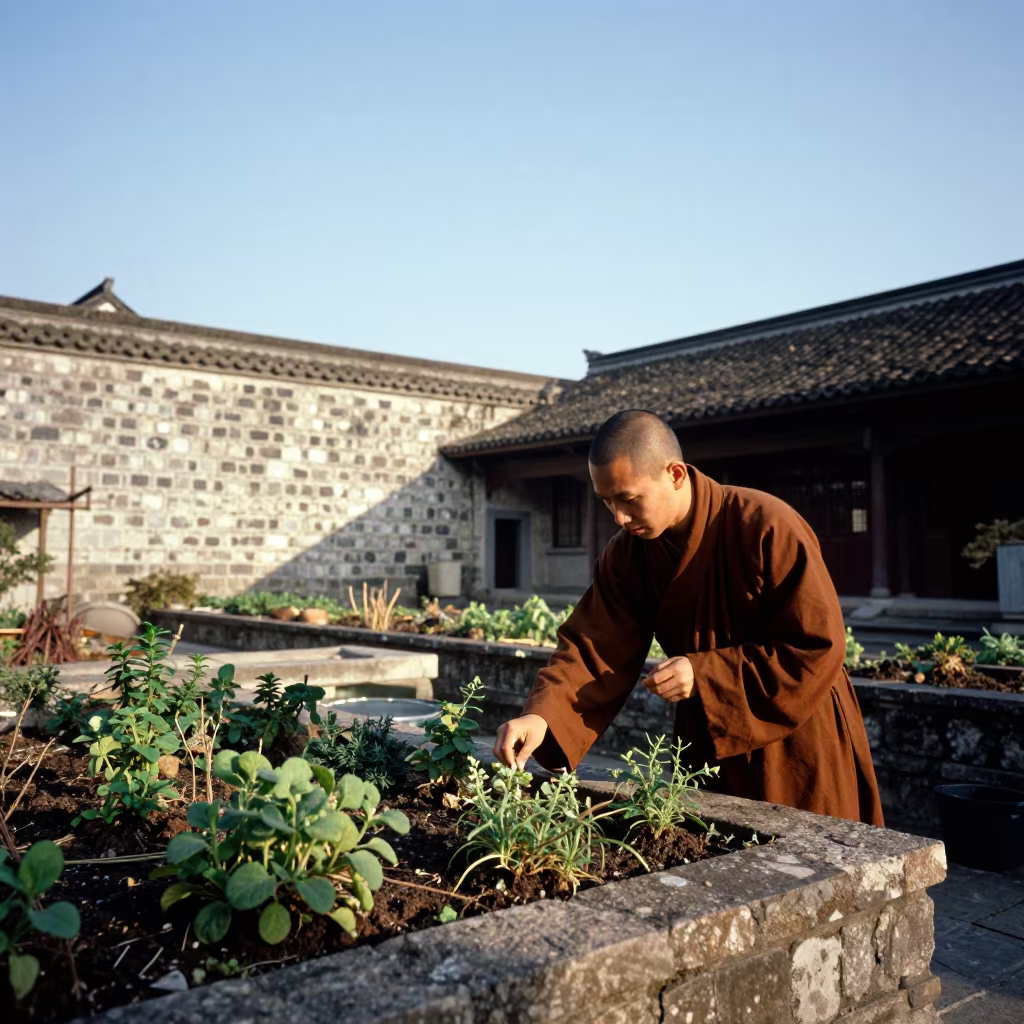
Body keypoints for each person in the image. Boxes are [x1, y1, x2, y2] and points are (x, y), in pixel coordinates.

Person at [493, 409, 883, 826]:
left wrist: (706, 675)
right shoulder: (628, 554)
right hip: (708, 739)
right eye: (607, 502)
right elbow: (595, 644)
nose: (619, 518)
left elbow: (817, 645)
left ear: (676, 474)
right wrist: (543, 715)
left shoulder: (766, 525)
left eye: (629, 498)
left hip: (797, 738)